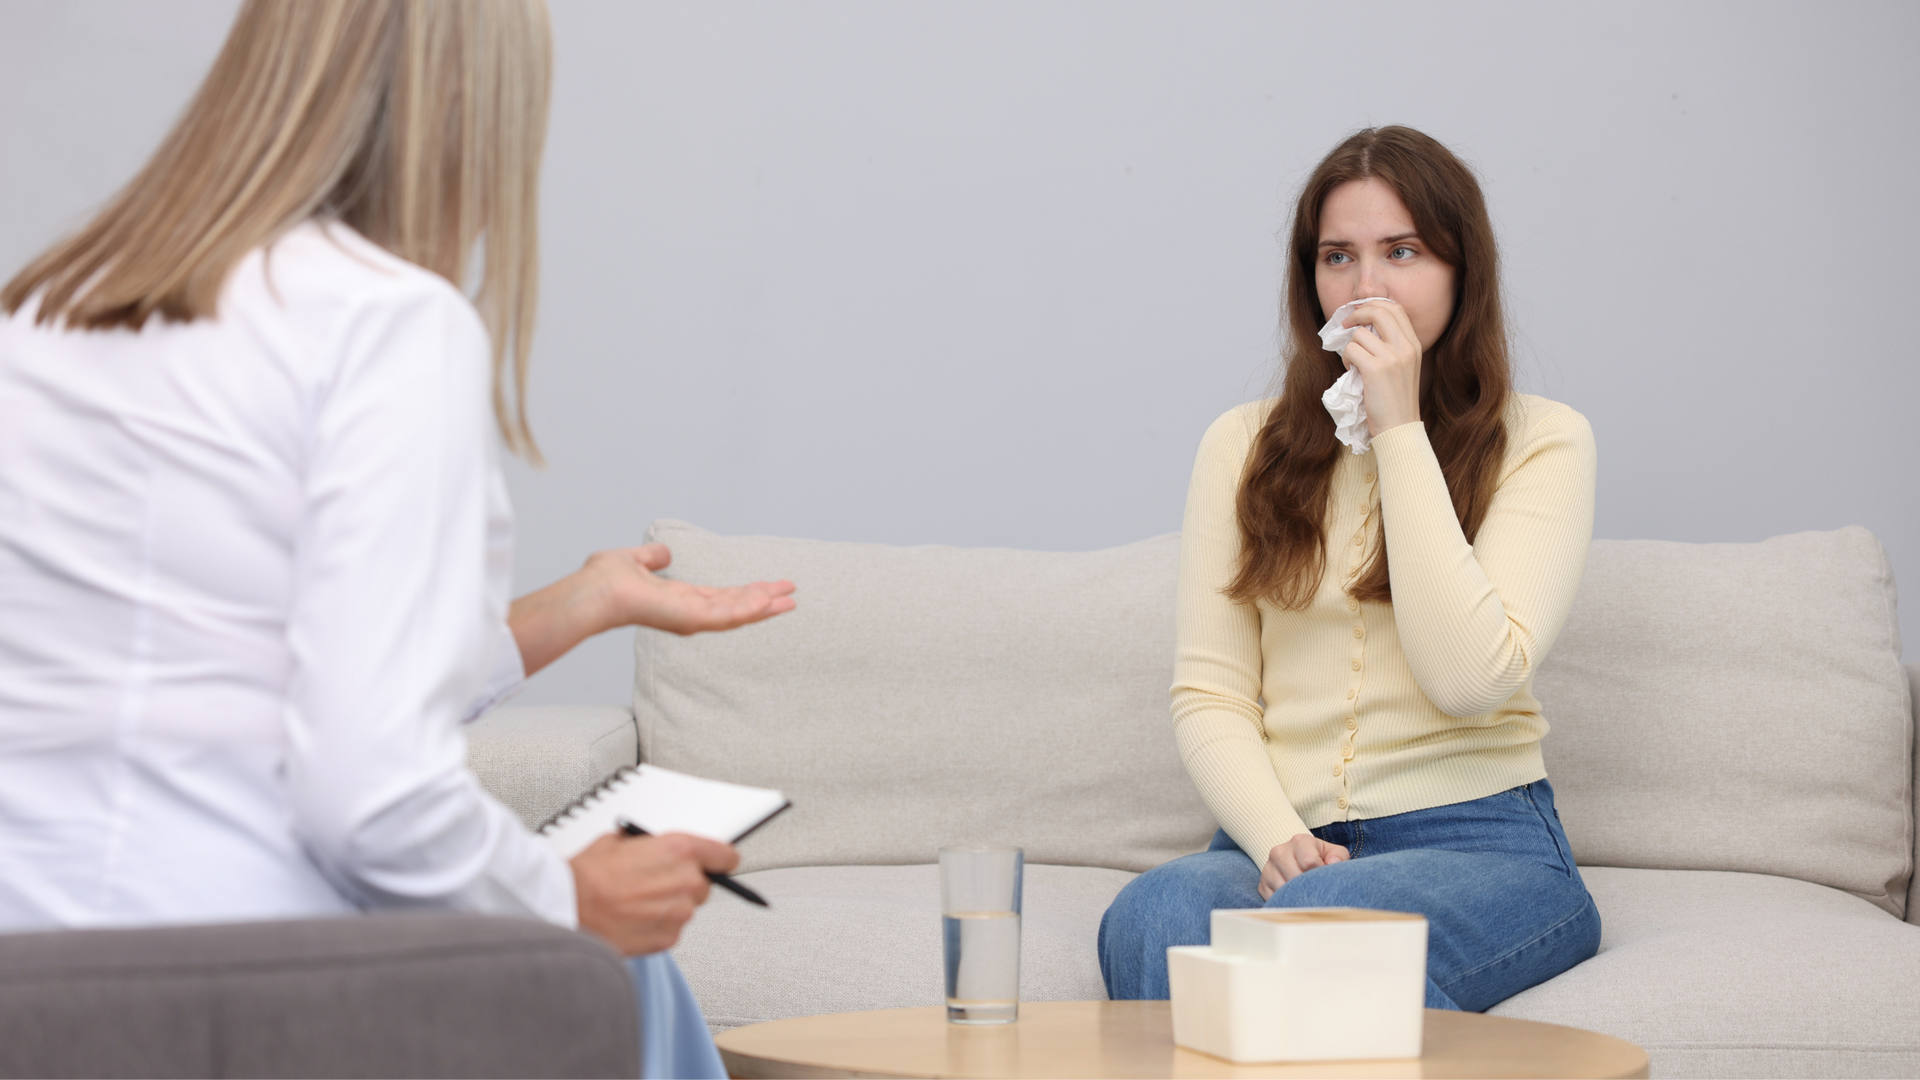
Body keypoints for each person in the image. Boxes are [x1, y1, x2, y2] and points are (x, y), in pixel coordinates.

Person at [0, 3, 793, 1077]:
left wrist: (575, 606)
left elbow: (229, 659)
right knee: (621, 963)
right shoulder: (385, 324)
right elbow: (368, 800)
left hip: (32, 971)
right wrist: (568, 895)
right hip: (238, 977)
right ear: (467, 116)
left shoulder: (47, 311)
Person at [1099, 126, 1601, 1011]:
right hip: (1284, 845)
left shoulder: (1544, 440)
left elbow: (1470, 679)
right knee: (1158, 909)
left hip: (1482, 843)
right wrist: (1274, 839)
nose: (1366, 288)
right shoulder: (1240, 446)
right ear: (1311, 280)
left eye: (1401, 252)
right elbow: (1210, 693)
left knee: (1321, 921)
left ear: (1461, 271)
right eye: (1339, 257)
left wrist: (1397, 423)